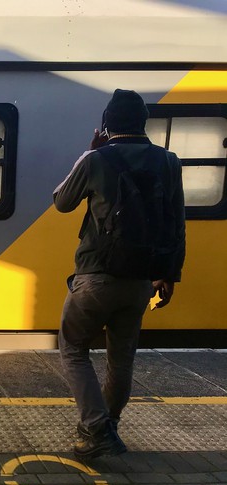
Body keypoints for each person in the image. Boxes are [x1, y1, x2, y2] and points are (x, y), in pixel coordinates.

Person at [53, 89, 186, 461]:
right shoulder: (169, 162)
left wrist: (88, 152)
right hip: (141, 281)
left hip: (96, 275)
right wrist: (168, 275)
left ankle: (96, 429)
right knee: (121, 358)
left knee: (73, 348)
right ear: (143, 122)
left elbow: (62, 202)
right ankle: (108, 426)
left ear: (107, 124)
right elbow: (177, 224)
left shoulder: (98, 158)